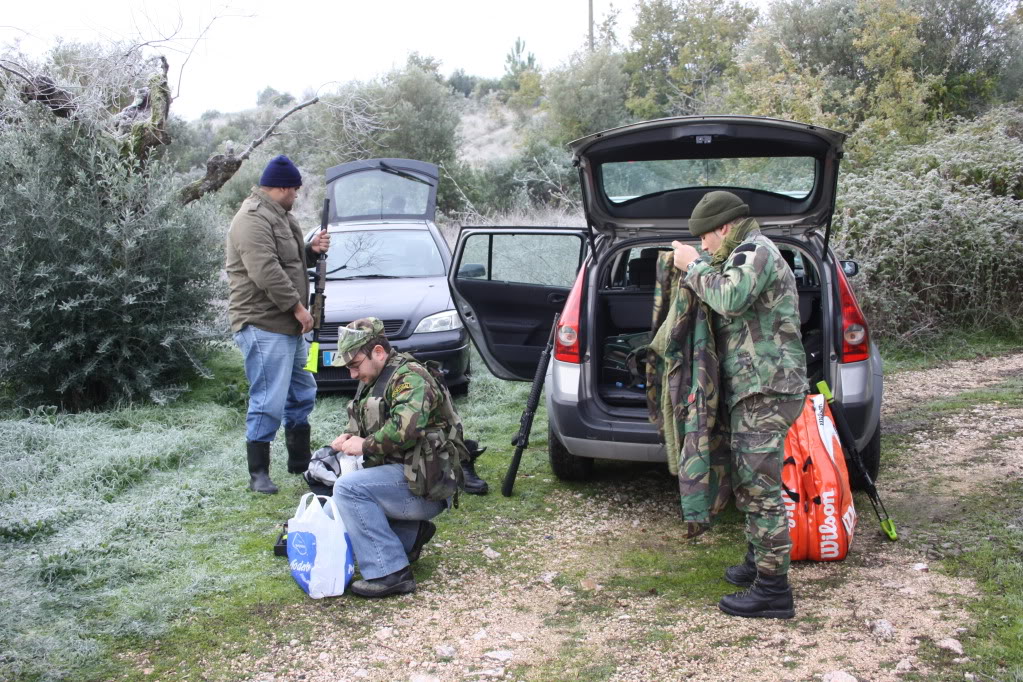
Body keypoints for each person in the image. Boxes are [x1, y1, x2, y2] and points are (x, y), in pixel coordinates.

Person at [671, 190, 808, 619]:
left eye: (706, 239)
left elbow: (730, 298)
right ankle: (758, 561)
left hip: (768, 389)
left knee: (759, 488)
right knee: (750, 480)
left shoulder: (756, 251)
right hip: (754, 388)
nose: (705, 246)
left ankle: (772, 590)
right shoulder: (742, 251)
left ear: (724, 227)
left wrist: (693, 266)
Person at [329, 317, 466, 598]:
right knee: (336, 476)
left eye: (355, 365)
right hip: (405, 476)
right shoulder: (377, 377)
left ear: (378, 352)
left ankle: (390, 573)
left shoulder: (410, 377)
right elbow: (366, 420)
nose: (352, 374)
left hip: (427, 486)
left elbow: (407, 428)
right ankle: (408, 537)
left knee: (349, 490)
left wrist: (364, 445)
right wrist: (346, 438)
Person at [226, 155, 330, 494]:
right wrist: (300, 309)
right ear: (283, 187)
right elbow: (265, 271)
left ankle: (299, 461)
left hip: (288, 325)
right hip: (263, 323)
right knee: (269, 398)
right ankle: (259, 474)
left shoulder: (280, 216)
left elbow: (289, 261)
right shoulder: (251, 219)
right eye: (295, 190)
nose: (297, 196)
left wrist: (310, 251)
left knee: (303, 390)